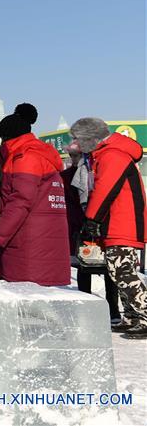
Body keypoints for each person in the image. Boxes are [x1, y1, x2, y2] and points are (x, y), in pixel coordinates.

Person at [72, 117, 147, 339]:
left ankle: (144, 315)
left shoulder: (113, 155)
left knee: (122, 271)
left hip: (124, 222)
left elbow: (105, 189)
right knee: (118, 271)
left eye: (79, 139)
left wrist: (92, 219)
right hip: (117, 221)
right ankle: (133, 317)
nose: (77, 144)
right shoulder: (106, 154)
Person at [0, 114, 70, 286]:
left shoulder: (25, 157)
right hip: (46, 233)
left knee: (28, 295)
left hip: (29, 237)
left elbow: (21, 200)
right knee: (43, 293)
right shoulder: (42, 154)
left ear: (7, 136)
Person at [60, 141, 121, 321]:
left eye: (77, 155)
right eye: (71, 155)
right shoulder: (66, 176)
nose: (74, 159)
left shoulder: (97, 172)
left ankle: (113, 310)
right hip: (79, 226)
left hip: (100, 224)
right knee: (83, 266)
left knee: (108, 266)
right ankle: (86, 308)